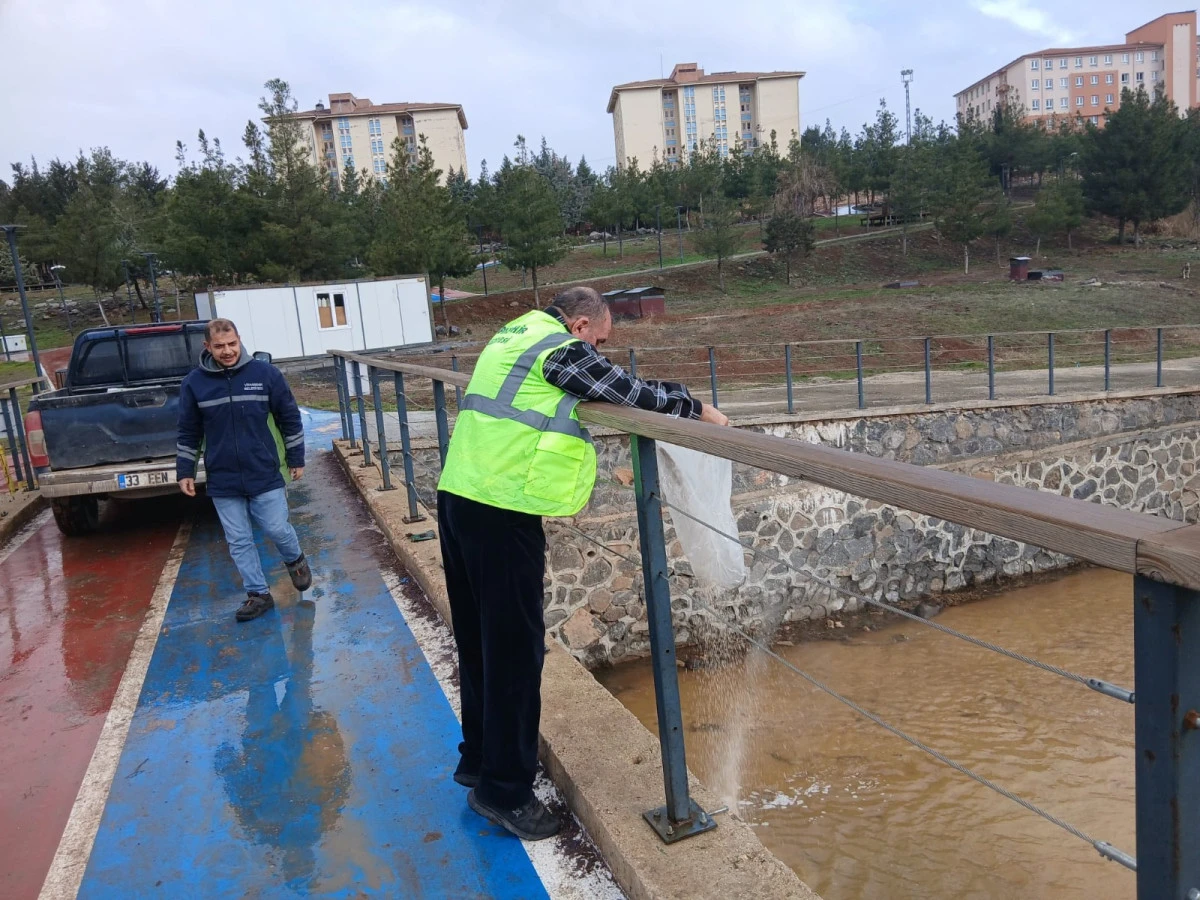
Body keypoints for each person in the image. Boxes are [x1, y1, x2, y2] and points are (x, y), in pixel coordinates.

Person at [437, 286, 729, 841]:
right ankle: (503, 792)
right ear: (579, 326)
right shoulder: (560, 350)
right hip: (501, 509)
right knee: (517, 653)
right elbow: (625, 391)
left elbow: (604, 379)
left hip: (461, 496)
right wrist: (697, 408)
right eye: (598, 339)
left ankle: (478, 759)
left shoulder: (518, 331)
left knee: (480, 642)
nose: (600, 349)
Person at [176, 318, 312, 622]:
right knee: (238, 540)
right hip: (222, 476)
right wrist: (185, 470)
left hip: (263, 470)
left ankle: (295, 558)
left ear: (240, 340)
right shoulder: (194, 384)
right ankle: (258, 594)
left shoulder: (265, 374)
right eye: (220, 346)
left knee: (277, 527)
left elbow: (289, 417)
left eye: (232, 344)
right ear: (207, 346)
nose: (227, 351)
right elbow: (188, 431)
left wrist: (296, 457)